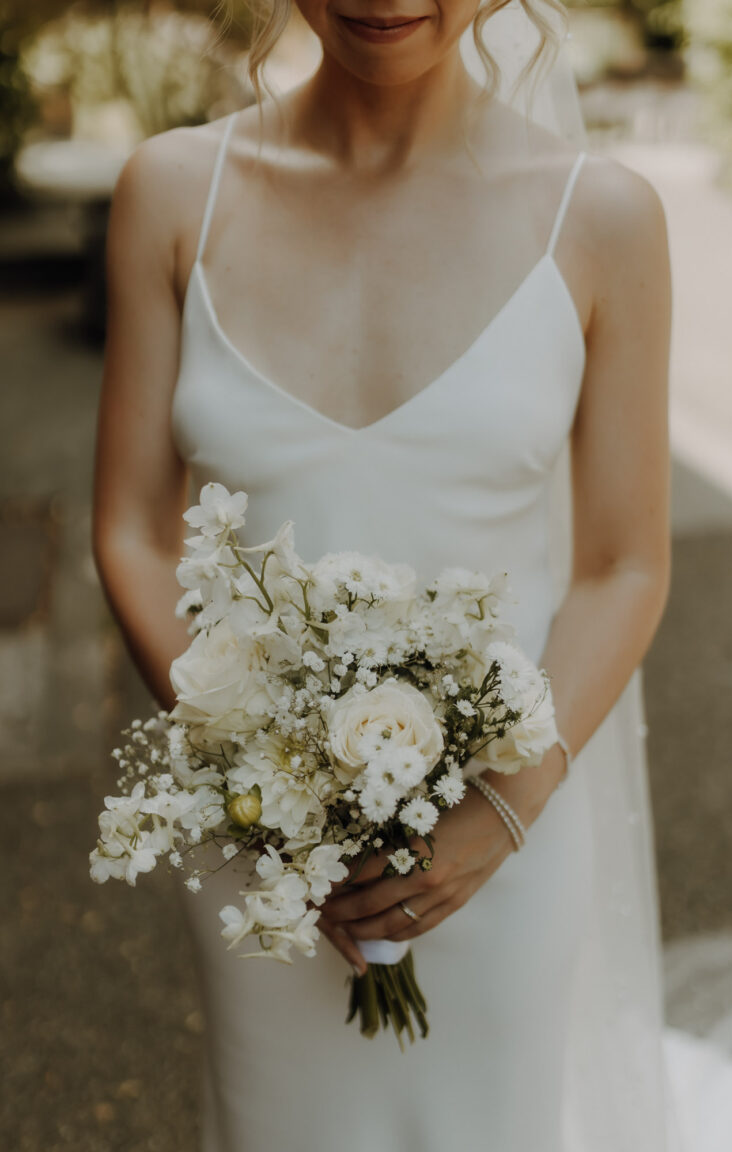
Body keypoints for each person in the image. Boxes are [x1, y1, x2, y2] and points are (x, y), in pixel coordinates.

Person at [92, 1, 681, 1149]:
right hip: (262, 853)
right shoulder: (171, 193)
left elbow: (625, 563)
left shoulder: (602, 216)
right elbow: (129, 529)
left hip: (503, 837)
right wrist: (261, 783)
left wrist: (502, 810)